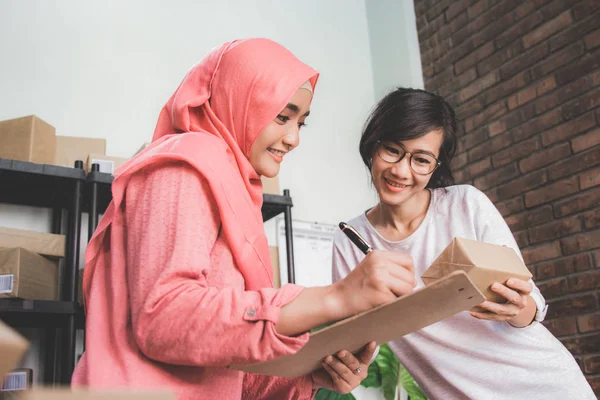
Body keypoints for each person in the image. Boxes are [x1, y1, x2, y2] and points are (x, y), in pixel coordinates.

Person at [72, 39, 417, 400]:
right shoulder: (184, 165)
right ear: (239, 100)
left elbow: (224, 364)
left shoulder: (233, 188)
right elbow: (164, 319)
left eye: (302, 122)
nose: (294, 137)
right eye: (283, 116)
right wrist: (334, 298)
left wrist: (310, 375)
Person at [332, 87, 596, 399]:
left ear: (437, 165)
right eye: (392, 150)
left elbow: (529, 307)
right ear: (372, 147)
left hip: (544, 385)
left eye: (421, 159)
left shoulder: (466, 204)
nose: (401, 170)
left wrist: (516, 306)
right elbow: (361, 343)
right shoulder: (351, 240)